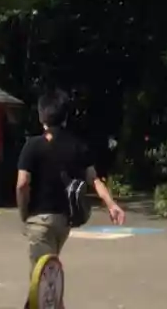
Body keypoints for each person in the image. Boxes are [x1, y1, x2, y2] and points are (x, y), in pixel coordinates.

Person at [17, 88, 125, 275]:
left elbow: (22, 184)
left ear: (41, 117)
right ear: (65, 117)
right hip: (64, 221)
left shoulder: (32, 145)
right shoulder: (77, 145)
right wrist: (111, 204)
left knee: (40, 276)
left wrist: (24, 213)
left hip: (39, 220)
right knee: (49, 270)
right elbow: (94, 179)